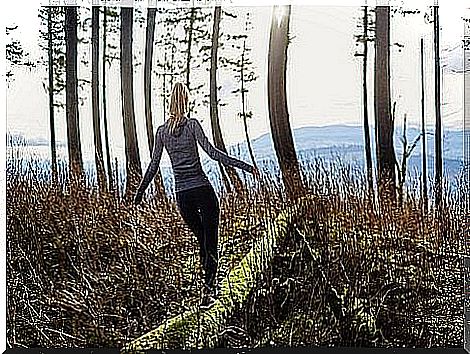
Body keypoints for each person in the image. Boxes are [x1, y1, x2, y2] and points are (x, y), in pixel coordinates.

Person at [134, 82, 259, 305]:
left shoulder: (161, 132)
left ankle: (208, 288)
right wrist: (244, 166)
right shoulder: (192, 125)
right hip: (203, 190)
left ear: (169, 103)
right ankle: (210, 289)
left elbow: (153, 165)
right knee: (210, 240)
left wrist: (139, 193)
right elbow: (212, 153)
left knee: (202, 239)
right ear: (187, 101)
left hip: (183, 196)